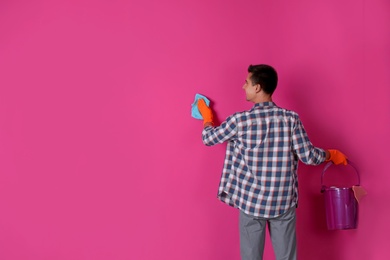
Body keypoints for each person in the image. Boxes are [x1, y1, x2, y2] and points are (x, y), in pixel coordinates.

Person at [197, 64, 347, 260]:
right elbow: (308, 156)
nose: (243, 87)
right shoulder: (290, 119)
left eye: (246, 83)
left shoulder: (240, 121)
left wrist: (207, 118)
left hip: (251, 203)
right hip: (282, 202)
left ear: (257, 87)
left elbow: (209, 138)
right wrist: (330, 154)